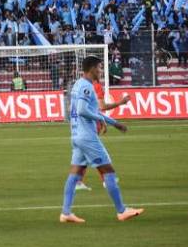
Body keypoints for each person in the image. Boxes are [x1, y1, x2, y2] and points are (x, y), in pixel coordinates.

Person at [59, 56, 143, 223]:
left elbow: (83, 109)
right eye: (99, 67)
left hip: (76, 135)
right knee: (108, 171)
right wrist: (103, 120)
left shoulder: (77, 85)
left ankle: (66, 212)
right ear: (91, 69)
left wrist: (113, 123)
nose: (101, 71)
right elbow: (83, 110)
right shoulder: (87, 87)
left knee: (75, 173)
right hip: (87, 137)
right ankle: (122, 211)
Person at [75, 77, 132, 192]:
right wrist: (120, 103)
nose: (100, 71)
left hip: (80, 124)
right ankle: (107, 180)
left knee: (85, 154)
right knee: (100, 153)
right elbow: (101, 107)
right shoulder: (95, 86)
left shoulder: (81, 85)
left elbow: (92, 109)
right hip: (90, 125)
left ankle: (78, 181)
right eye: (99, 68)